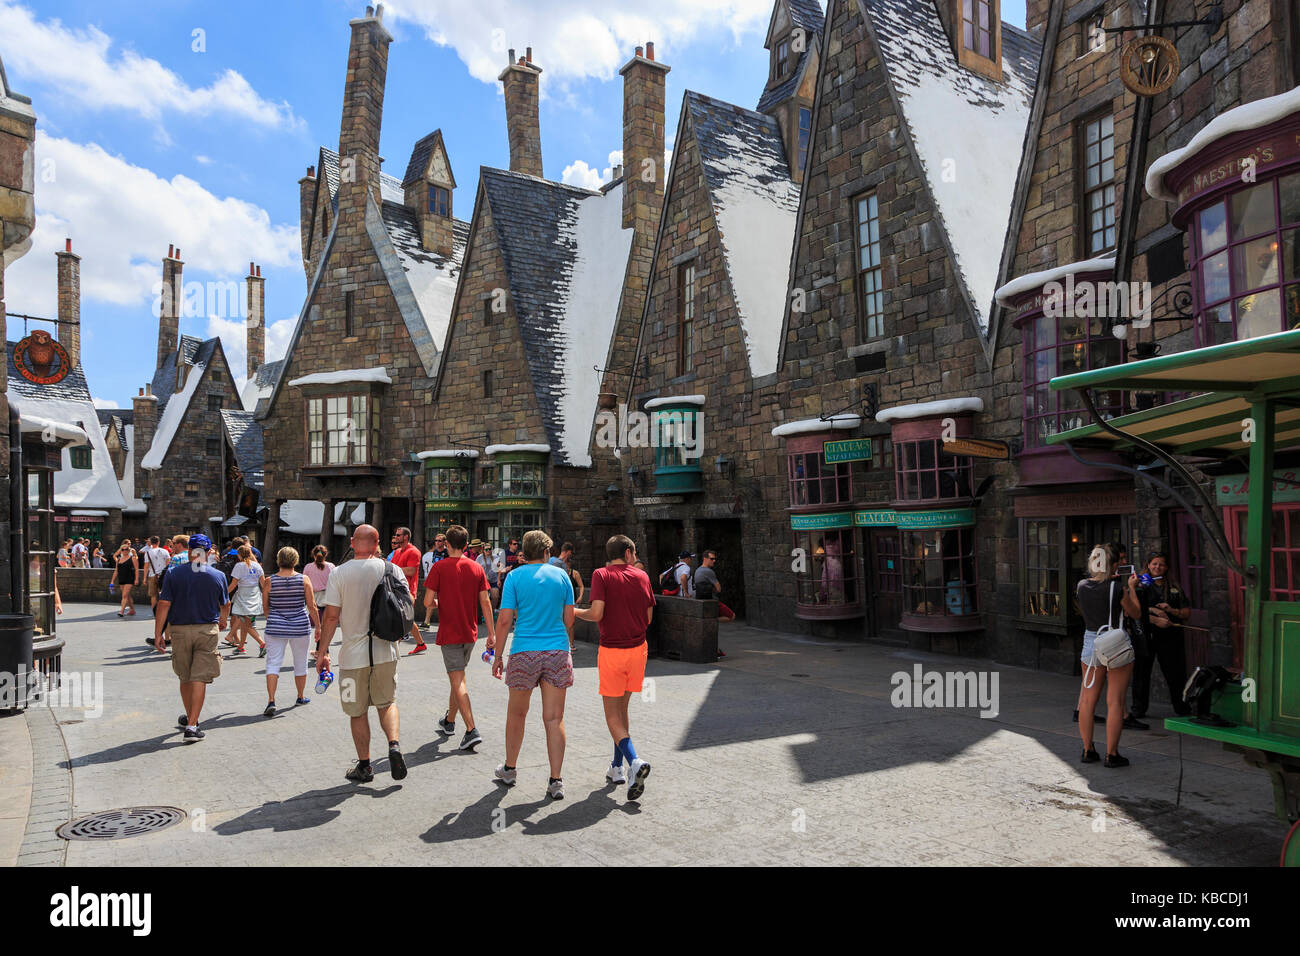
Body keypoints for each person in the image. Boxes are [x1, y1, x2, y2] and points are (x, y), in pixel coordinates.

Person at [315, 525, 409, 783]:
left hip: (350, 657)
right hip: (386, 652)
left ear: (354, 542)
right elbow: (405, 607)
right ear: (378, 542)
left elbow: (331, 617)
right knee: (387, 702)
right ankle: (393, 746)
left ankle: (365, 765)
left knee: (356, 711)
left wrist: (322, 652)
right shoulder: (393, 569)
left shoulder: (339, 573)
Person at [490, 529, 574, 799]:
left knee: (517, 714)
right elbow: (569, 620)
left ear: (523, 553)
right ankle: (556, 780)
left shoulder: (514, 577)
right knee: (554, 718)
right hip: (557, 651)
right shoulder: (562, 575)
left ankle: (510, 768)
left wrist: (498, 655)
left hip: (524, 650)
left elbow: (504, 620)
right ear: (548, 552)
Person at [574, 535, 655, 799]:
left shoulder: (601, 574)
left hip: (612, 651)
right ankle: (617, 767)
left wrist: (574, 612)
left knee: (611, 716)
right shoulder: (642, 577)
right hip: (638, 650)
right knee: (622, 711)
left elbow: (596, 613)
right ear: (629, 552)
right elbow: (648, 617)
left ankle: (635, 761)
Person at [155, 534, 230, 742]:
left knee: (185, 675)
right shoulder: (217, 576)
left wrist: (158, 633)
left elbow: (164, 604)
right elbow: (225, 604)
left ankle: (191, 718)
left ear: (189, 551)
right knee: (200, 676)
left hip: (179, 630)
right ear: (207, 552)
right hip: (206, 629)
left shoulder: (173, 574)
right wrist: (223, 620)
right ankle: (192, 724)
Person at [423, 525, 491, 752]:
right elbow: (486, 602)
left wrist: (439, 603)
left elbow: (427, 602)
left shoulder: (439, 568)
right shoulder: (476, 568)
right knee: (458, 677)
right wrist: (491, 633)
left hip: (450, 632)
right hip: (470, 633)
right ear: (465, 544)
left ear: (448, 544)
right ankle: (449, 721)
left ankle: (471, 729)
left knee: (458, 681)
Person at [1076, 544, 1143, 767]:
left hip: (1091, 641)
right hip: (1114, 641)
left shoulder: (1082, 586)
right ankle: (1111, 754)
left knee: (1087, 699)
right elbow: (1135, 613)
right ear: (1113, 564)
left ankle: (1088, 749)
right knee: (1115, 701)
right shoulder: (1117, 588)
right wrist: (1131, 587)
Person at [259, 547, 320, 717]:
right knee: (300, 662)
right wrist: (319, 627)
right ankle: (300, 696)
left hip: (275, 627)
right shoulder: (304, 579)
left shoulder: (270, 581)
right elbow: (312, 606)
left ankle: (271, 700)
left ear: (279, 560)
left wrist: (274, 618)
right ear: (295, 560)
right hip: (300, 626)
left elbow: (265, 606)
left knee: (273, 663)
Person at [1131, 551, 1192, 719]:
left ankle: (1181, 707)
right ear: (1148, 565)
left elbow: (1186, 612)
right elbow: (1132, 611)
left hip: (1171, 635)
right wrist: (1152, 612)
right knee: (1142, 673)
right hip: (1146, 635)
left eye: (1162, 564)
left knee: (1176, 673)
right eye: (1154, 564)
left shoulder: (1174, 586)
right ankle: (1138, 708)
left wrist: (1171, 610)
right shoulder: (1140, 583)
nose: (1157, 567)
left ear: (1167, 567)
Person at [388, 527, 425, 653]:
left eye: (398, 535)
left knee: (401, 618)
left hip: (408, 591)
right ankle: (420, 644)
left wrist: (394, 569)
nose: (396, 537)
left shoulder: (413, 551)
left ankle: (393, 648)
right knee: (406, 618)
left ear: (406, 537)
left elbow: (411, 570)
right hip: (396, 590)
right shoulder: (397, 552)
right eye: (396, 535)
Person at [227, 545, 267, 657]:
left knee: (244, 621)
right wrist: (266, 597)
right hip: (254, 594)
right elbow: (263, 584)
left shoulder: (239, 566)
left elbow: (234, 584)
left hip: (243, 594)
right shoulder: (257, 566)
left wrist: (224, 593)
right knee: (246, 622)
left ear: (239, 555)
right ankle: (241, 646)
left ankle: (262, 643)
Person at [693, 549, 733, 659]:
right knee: (731, 616)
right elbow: (719, 589)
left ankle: (715, 649)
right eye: (711, 558)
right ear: (705, 558)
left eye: (715, 559)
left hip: (703, 601)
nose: (714, 561)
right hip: (712, 601)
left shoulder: (697, 571)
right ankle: (712, 619)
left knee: (709, 631)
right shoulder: (708, 572)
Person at [421, 533, 448, 628]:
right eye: (436, 540)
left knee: (444, 601)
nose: (437, 542)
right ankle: (426, 621)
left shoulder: (447, 552)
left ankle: (443, 622)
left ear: (445, 542)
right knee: (431, 600)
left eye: (439, 541)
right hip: (435, 579)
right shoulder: (435, 552)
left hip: (445, 580)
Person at [143, 535, 170, 611]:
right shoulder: (165, 551)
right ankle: (163, 610)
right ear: (159, 542)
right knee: (163, 594)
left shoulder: (147, 553)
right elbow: (168, 564)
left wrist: (144, 578)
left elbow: (146, 566)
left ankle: (155, 611)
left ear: (151, 542)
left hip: (152, 575)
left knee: (153, 595)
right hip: (163, 575)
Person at [113, 538, 138, 617]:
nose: (124, 551)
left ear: (129, 550)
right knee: (127, 595)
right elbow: (116, 570)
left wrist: (136, 579)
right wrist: (112, 581)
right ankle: (132, 609)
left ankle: (121, 611)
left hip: (129, 577)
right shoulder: (119, 559)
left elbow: (137, 569)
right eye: (123, 550)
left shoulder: (133, 554)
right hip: (122, 577)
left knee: (124, 595)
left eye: (126, 549)